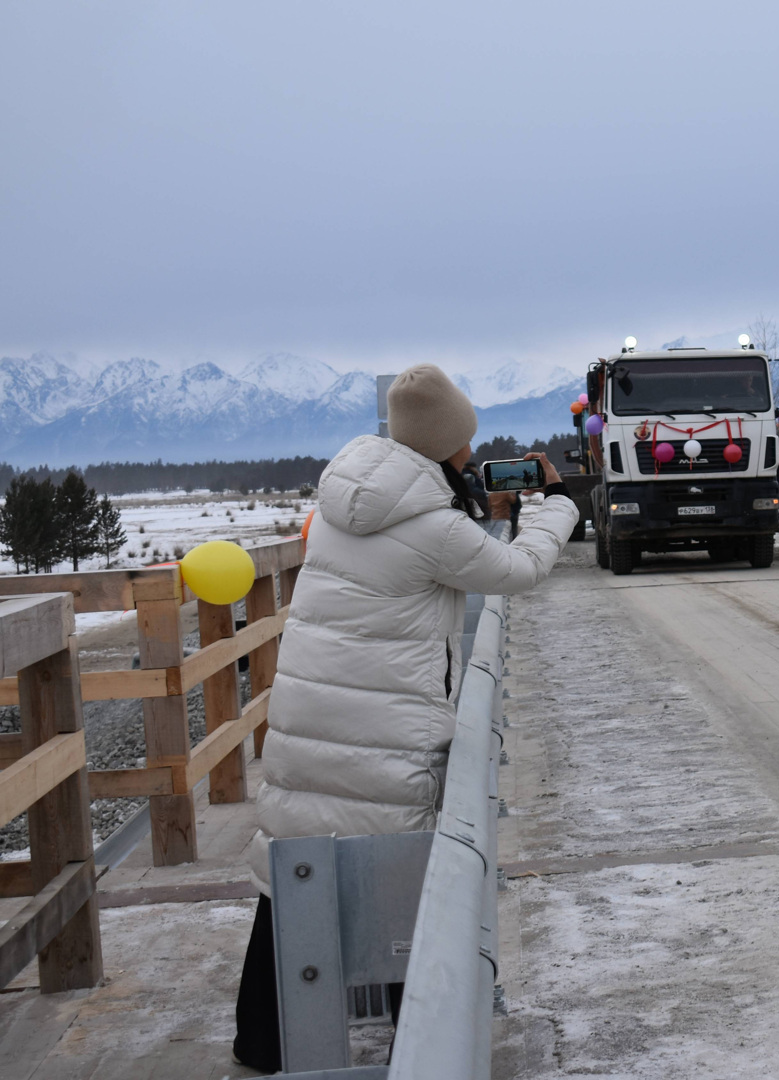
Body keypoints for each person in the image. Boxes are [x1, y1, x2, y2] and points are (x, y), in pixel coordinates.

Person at [231, 364, 579, 1071]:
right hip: (379, 736)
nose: (469, 457)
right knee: (394, 894)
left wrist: (474, 508)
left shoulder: (341, 504)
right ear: (444, 447)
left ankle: (260, 1043)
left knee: (292, 875)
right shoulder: (432, 528)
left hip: (308, 722)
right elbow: (516, 572)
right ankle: (416, 1045)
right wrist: (559, 504)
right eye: (464, 446)